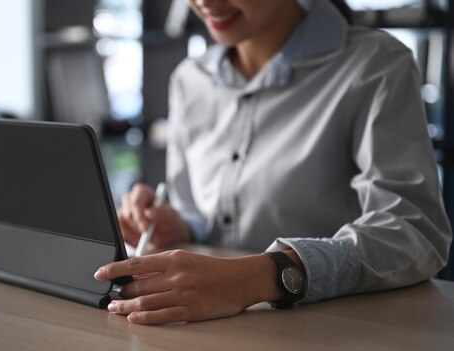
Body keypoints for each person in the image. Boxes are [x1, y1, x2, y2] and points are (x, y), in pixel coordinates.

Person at [93, 0, 452, 325]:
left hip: (331, 330)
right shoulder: (190, 79)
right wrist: (177, 226)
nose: (204, 2)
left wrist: (263, 276)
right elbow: (201, 215)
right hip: (216, 327)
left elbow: (415, 231)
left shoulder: (376, 65)